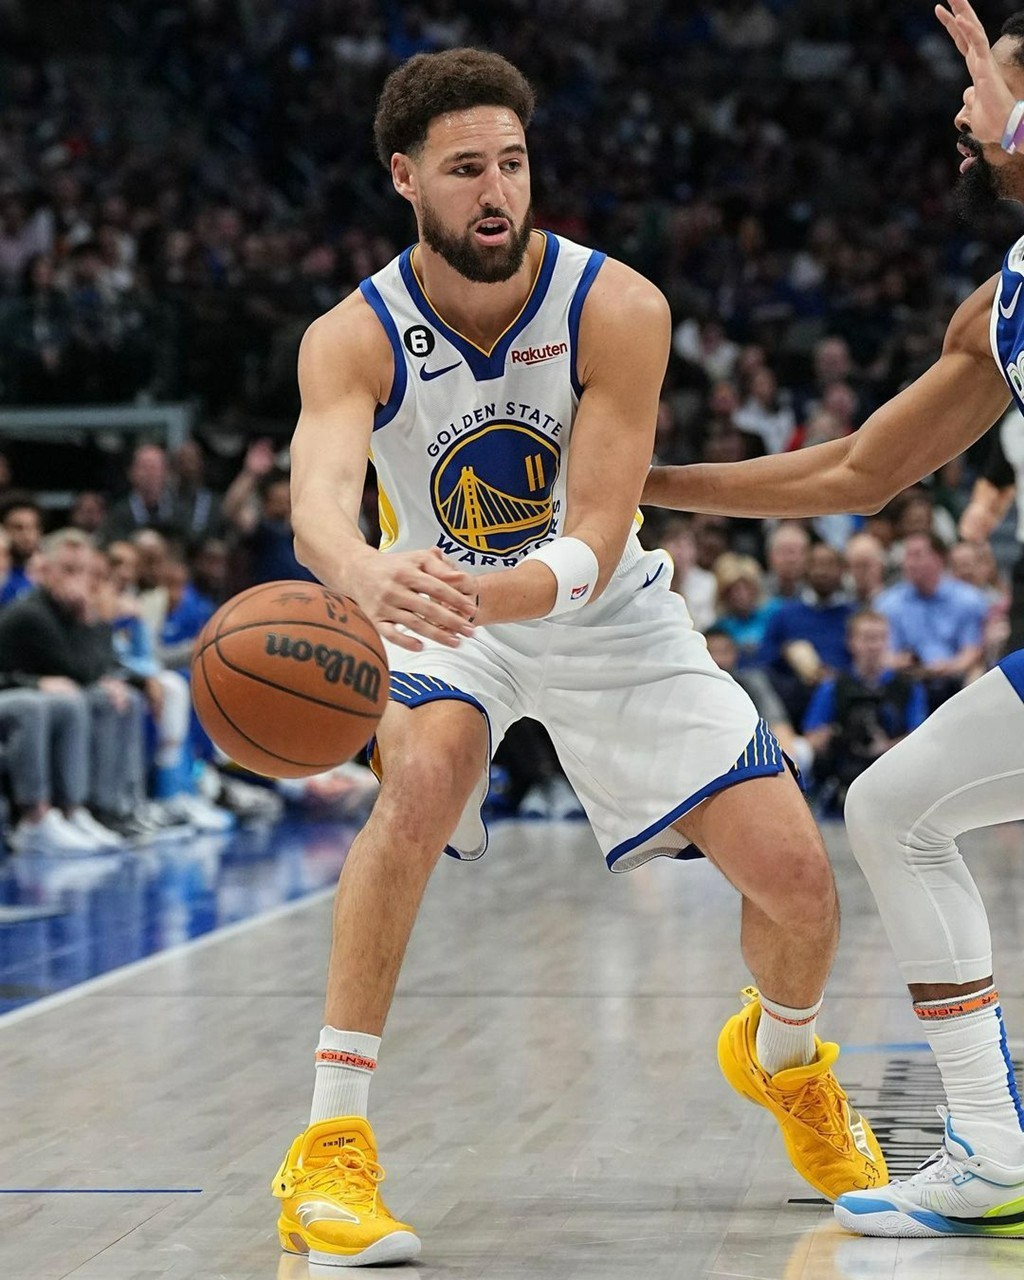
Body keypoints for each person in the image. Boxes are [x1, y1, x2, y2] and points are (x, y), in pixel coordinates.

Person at [273, 47, 884, 1270]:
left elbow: (598, 535)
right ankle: (329, 1145)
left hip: (600, 609)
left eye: (511, 161)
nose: (496, 189)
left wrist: (478, 586)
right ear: (404, 178)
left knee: (800, 887)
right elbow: (315, 506)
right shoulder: (351, 335)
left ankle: (783, 1060)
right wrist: (365, 572)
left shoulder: (618, 306)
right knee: (422, 777)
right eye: (464, 169)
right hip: (436, 611)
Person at [641, 0, 1024, 1237]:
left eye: (977, 84)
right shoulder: (1000, 306)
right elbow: (858, 471)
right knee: (894, 805)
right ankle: (991, 1145)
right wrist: (642, 480)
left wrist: (1016, 109)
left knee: (893, 807)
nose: (958, 108)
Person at [801, 610, 928, 812]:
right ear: (852, 642)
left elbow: (920, 737)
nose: (874, 646)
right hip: (843, 775)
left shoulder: (908, 687)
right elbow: (811, 738)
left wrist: (886, 746)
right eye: (868, 639)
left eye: (880, 638)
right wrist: (835, 736)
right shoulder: (833, 687)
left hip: (894, 773)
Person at [875, 531, 988, 710]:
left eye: (917, 556)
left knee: (976, 678)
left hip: (954, 676)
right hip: (907, 678)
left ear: (939, 559)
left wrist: (950, 666)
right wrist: (899, 661)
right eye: (907, 556)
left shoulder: (968, 599)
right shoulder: (888, 603)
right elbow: (885, 654)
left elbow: (972, 650)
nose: (910, 563)